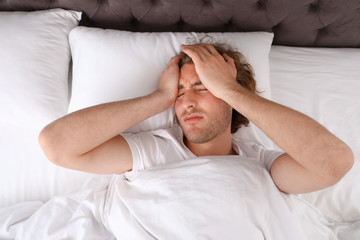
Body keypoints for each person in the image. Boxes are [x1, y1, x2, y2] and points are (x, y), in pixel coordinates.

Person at [38, 43, 354, 194]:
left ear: (231, 96)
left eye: (202, 88)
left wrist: (231, 89)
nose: (186, 101)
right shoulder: (153, 150)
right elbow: (56, 144)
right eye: (180, 92)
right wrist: (159, 99)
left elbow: (333, 162)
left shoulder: (264, 165)